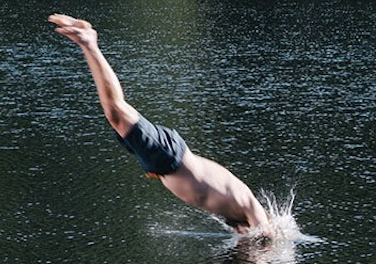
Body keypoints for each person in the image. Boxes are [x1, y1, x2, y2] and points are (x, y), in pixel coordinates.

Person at [49, 14, 269, 234]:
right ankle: (89, 43)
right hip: (170, 156)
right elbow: (265, 235)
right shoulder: (250, 207)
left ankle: (88, 43)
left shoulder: (237, 217)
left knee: (116, 115)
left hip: (165, 162)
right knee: (115, 110)